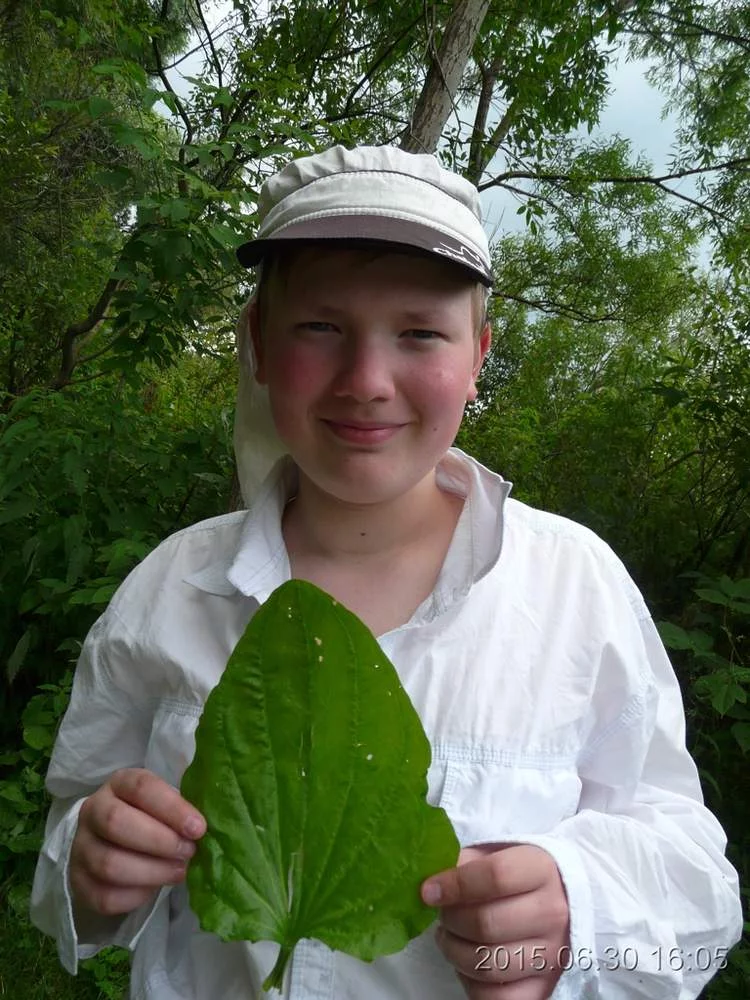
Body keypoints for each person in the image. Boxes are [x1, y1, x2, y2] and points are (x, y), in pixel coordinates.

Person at [31, 145, 742, 1000]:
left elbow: (696, 883)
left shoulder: (573, 590)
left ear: (478, 356)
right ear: (258, 344)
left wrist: (578, 912)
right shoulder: (171, 589)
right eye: (320, 328)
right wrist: (88, 863)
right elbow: (73, 833)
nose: (367, 382)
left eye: (420, 333)